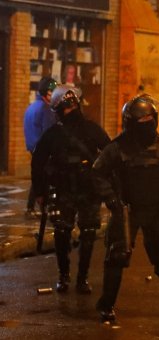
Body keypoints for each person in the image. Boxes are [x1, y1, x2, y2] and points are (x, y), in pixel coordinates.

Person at [92, 94, 159, 322]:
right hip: (127, 210)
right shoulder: (117, 148)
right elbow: (97, 174)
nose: (147, 126)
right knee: (116, 255)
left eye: (150, 120)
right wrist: (111, 199)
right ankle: (106, 304)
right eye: (142, 122)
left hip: (156, 210)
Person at [31, 84, 110, 294]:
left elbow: (37, 163)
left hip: (69, 189)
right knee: (86, 232)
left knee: (64, 231)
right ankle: (80, 279)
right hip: (83, 190)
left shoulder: (53, 134)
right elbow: (111, 153)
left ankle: (65, 277)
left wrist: (40, 192)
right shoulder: (92, 129)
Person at [24, 77, 58, 217]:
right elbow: (49, 132)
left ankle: (31, 207)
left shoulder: (32, 106)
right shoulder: (45, 109)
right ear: (47, 93)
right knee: (46, 177)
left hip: (33, 146)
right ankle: (43, 206)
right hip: (42, 148)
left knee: (39, 175)